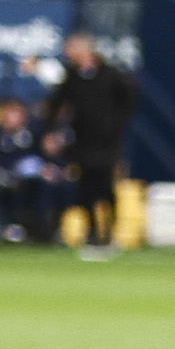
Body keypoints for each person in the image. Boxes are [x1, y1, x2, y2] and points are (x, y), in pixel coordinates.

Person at [53, 32, 140, 251]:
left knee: (106, 187)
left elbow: (128, 101)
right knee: (85, 189)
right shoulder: (72, 77)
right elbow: (57, 103)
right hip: (82, 142)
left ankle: (109, 230)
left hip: (107, 144)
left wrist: (114, 127)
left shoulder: (110, 75)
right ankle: (91, 230)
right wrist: (53, 130)